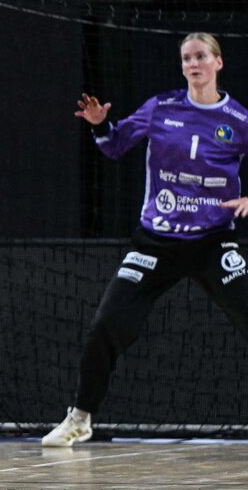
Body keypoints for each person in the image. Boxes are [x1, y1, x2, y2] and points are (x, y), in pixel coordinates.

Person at [43, 33, 248, 447]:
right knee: (106, 326)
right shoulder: (162, 108)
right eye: (187, 58)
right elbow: (115, 145)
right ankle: (80, 418)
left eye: (201, 56)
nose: (193, 64)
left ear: (218, 63)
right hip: (156, 241)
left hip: (213, 241)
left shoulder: (239, 120)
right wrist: (100, 125)